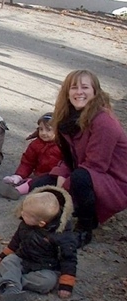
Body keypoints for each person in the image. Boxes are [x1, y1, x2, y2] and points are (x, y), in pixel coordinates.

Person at [30, 70, 127, 248]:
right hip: (85, 172)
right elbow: (68, 158)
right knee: (40, 184)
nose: (79, 92)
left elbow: (95, 167)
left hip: (115, 183)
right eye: (74, 87)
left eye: (85, 87)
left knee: (77, 180)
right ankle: (59, 214)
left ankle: (85, 227)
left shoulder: (104, 121)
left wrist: (63, 189)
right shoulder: (67, 117)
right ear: (67, 92)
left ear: (95, 91)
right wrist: (60, 176)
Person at [0, 186, 77, 301]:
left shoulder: (62, 236)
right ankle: (11, 285)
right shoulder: (25, 224)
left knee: (47, 282)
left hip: (45, 267)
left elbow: (69, 259)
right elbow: (16, 240)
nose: (22, 214)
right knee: (9, 261)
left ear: (41, 223)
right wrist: (4, 254)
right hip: (24, 257)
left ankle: (7, 281)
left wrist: (66, 284)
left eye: (26, 214)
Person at [0, 113, 62, 200]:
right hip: (39, 174)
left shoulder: (61, 147)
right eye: (41, 129)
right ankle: (15, 181)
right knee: (31, 179)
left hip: (54, 177)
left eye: (48, 130)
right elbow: (28, 162)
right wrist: (19, 175)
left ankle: (17, 191)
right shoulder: (35, 144)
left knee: (35, 182)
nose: (43, 133)